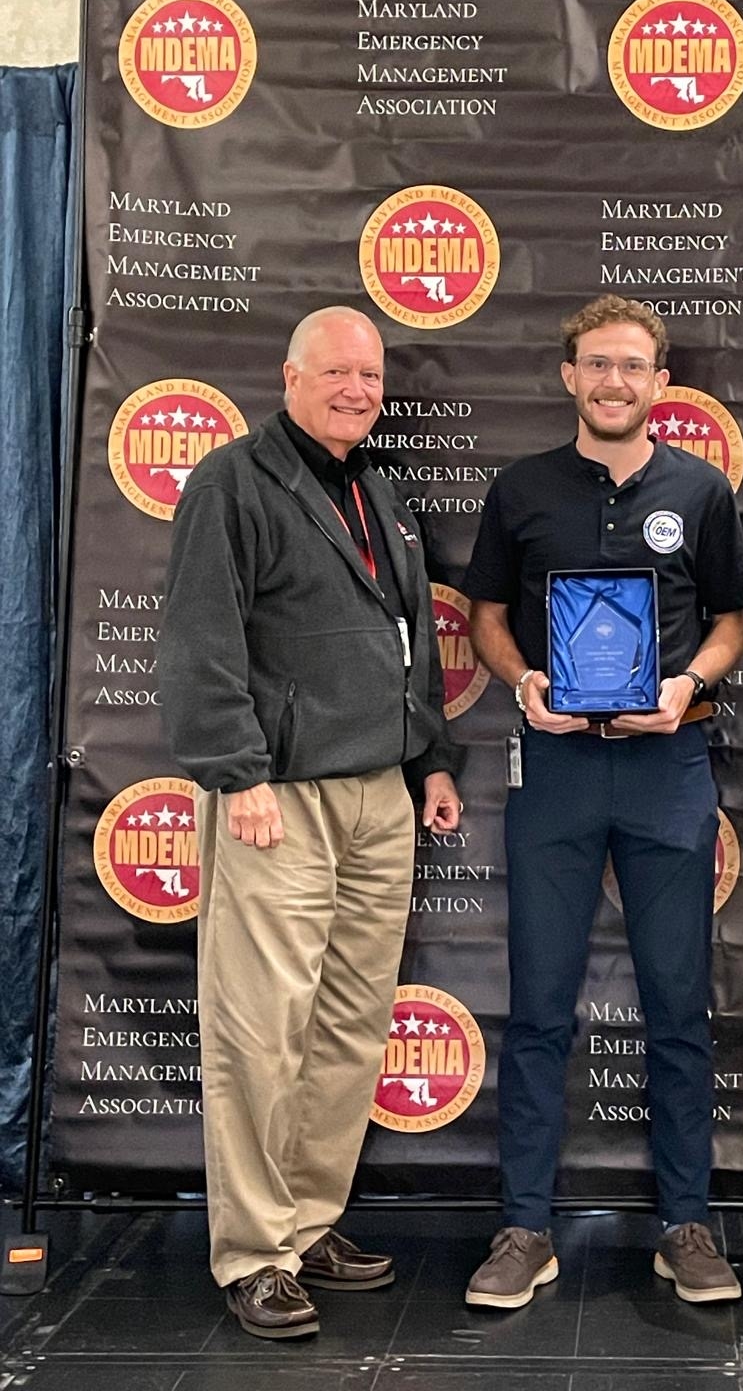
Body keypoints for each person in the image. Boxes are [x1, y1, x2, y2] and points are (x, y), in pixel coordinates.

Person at [159, 305, 463, 1341]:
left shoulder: (380, 490)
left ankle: (307, 1219)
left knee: (345, 1022)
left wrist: (428, 758)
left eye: (370, 376)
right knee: (260, 1023)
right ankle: (254, 1250)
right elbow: (203, 635)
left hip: (378, 791)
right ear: (289, 377)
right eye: (335, 371)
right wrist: (235, 771)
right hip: (275, 794)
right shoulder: (231, 481)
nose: (356, 389)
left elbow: (412, 637)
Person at [461, 294, 743, 1308]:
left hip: (670, 767)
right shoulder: (522, 488)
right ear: (568, 376)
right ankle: (524, 1227)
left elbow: (731, 625)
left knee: (678, 1007)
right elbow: (488, 617)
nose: (615, 381)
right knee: (540, 1008)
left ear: (660, 380)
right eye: (597, 364)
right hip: (556, 770)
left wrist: (684, 686)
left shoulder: (702, 490)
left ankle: (687, 1223)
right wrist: (523, 682)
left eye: (633, 365)